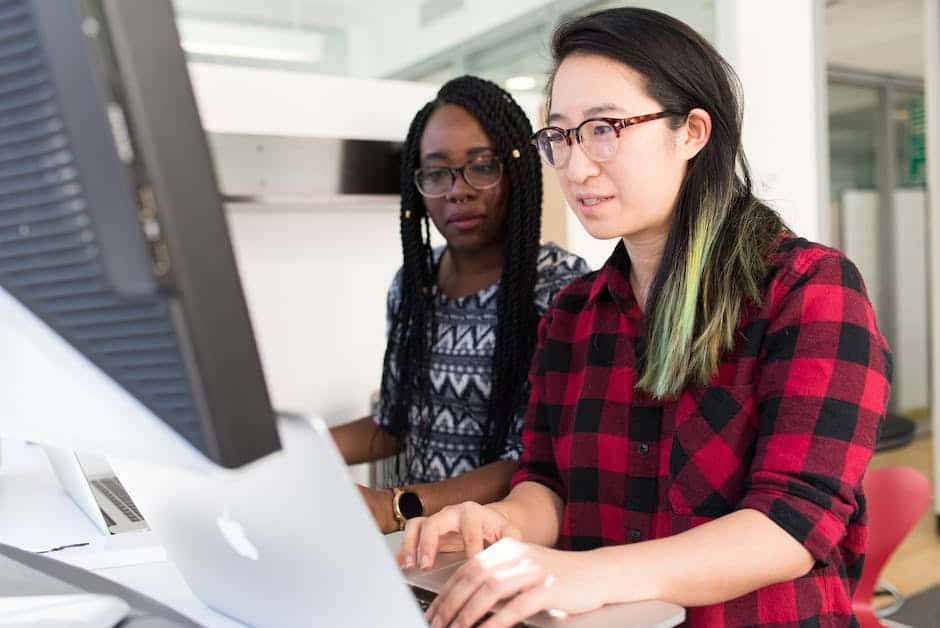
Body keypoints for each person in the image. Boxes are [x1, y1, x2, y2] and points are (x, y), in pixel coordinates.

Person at [398, 9, 892, 628]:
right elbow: (547, 484)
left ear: (692, 132)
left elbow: (792, 523)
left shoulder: (808, 289)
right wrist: (502, 521)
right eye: (560, 136)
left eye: (604, 129)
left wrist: (584, 573)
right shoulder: (573, 314)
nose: (576, 168)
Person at [330, 76, 590, 535]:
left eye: (482, 166)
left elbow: (532, 460)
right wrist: (295, 451)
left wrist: (395, 506)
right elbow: (395, 422)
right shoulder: (413, 285)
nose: (458, 190)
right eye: (437, 172)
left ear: (516, 171)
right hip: (423, 547)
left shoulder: (559, 288)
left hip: (510, 548)